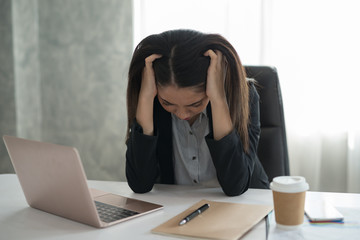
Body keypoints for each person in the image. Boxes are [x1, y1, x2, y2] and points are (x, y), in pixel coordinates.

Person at [125, 29, 269, 196]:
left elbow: (235, 186)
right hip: (176, 204)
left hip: (245, 203)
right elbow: (139, 185)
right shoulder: (152, 101)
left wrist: (218, 99)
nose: (181, 114)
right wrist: (145, 98)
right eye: (168, 103)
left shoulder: (243, 96)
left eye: (194, 104)